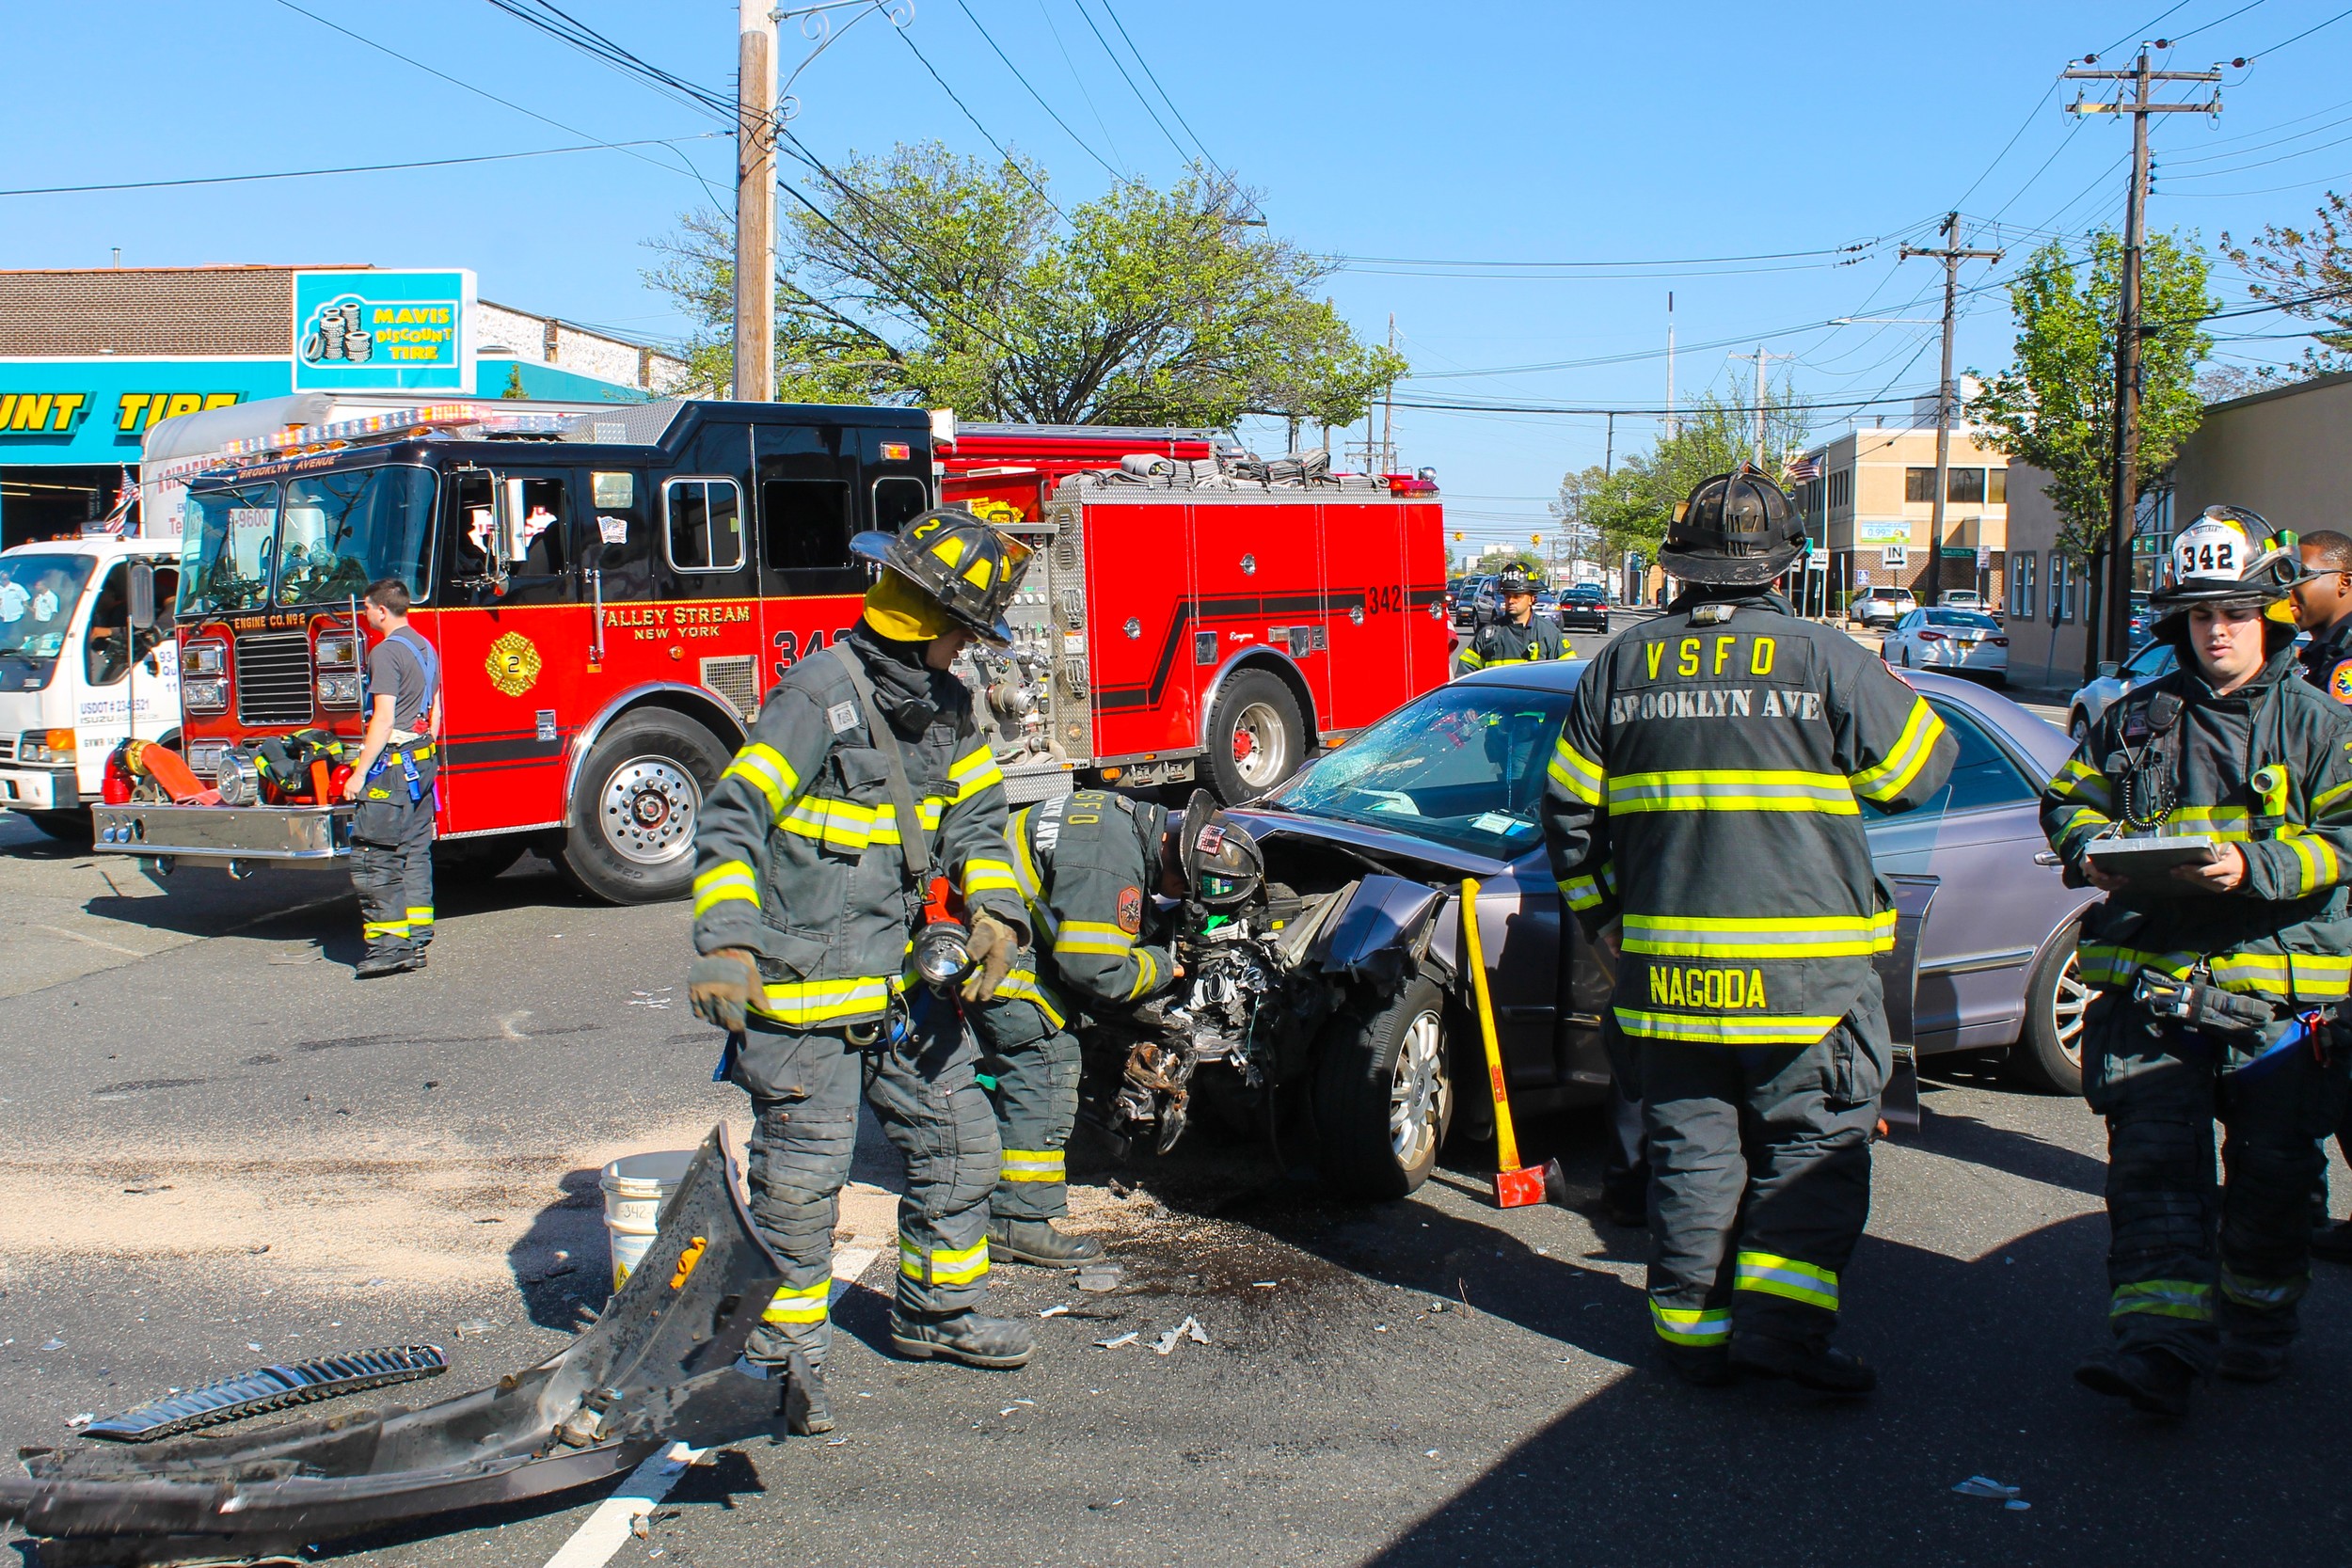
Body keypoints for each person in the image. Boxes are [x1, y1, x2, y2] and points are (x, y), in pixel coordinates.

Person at [1542, 466, 1955, 1396]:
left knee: (1692, 1153)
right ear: (1783, 564)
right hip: (1805, 984)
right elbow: (1921, 772)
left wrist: (1609, 927)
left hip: (1668, 985)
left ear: (1678, 563)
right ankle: (1782, 1332)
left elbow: (1567, 817)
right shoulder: (1823, 656)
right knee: (1813, 1143)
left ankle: (1692, 1337)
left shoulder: (1617, 665)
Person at [686, 508, 1036, 1437]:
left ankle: (936, 1314)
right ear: (929, 620)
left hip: (901, 990)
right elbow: (731, 819)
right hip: (805, 997)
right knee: (801, 1189)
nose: (969, 649)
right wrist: (726, 939)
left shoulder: (949, 708)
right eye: (964, 630)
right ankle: (780, 1365)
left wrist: (996, 911)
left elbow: (977, 824)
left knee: (962, 1143)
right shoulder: (816, 697)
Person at [2042, 506, 2352, 1416]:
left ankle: (2257, 1324)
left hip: (2276, 998)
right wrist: (2090, 849)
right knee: (2154, 1170)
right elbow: (2067, 801)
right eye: (2201, 614)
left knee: (2273, 1178)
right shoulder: (2135, 719)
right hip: (2154, 984)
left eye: (2235, 613)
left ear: (2271, 616)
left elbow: (2347, 836)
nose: (2217, 630)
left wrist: (2255, 867)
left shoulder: (2322, 726)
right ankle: (2159, 1347)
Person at [968, 787, 1262, 1265]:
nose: (1178, 898)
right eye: (1184, 891)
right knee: (1047, 1058)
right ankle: (1016, 1221)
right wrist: (1164, 966)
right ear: (1175, 859)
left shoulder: (1122, 815)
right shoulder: (1111, 865)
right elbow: (1096, 972)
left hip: (992, 912)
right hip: (993, 948)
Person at [2289, 529, 2352, 1265]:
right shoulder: (2315, 652)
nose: (2291, 592)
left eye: (2301, 576)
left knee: (2333, 1052)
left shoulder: (2344, 662)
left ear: (2342, 579)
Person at [342, 579, 439, 979]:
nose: (364, 614)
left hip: (393, 769)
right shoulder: (426, 647)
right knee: (414, 852)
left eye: (366, 607)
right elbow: (436, 712)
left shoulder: (384, 652)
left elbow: (383, 719)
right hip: (423, 761)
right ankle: (415, 940)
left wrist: (360, 774)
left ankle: (389, 947)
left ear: (381, 610)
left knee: (376, 856)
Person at [1455, 563, 1568, 676]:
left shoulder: (1549, 633)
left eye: (1517, 596)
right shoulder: (1488, 634)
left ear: (1532, 598)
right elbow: (1465, 674)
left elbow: (1569, 673)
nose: (1511, 601)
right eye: (1507, 595)